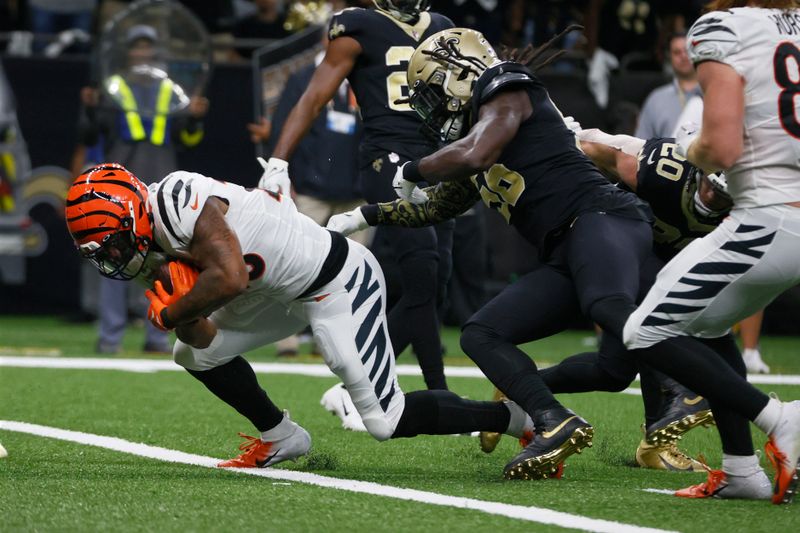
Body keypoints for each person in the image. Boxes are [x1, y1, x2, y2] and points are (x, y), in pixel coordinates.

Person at [327, 26, 800, 500]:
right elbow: (435, 205)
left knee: (617, 314)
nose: (431, 108)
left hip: (600, 221)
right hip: (569, 250)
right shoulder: (481, 131)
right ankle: (550, 417)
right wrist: (364, 215)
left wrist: (413, 168)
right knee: (489, 334)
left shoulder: (507, 86)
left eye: (432, 92)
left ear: (459, 73)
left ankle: (772, 417)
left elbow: (475, 153)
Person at [64, 163, 535, 472]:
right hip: (272, 292)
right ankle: (281, 436)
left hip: (336, 280)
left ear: (132, 215)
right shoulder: (152, 244)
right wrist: (180, 312)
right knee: (192, 352)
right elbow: (200, 328)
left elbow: (227, 279)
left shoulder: (176, 200)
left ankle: (517, 418)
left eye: (115, 243)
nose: (116, 256)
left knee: (383, 420)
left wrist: (170, 311)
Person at [622, 0, 800, 504]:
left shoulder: (723, 27)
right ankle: (742, 472)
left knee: (643, 331)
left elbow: (720, 149)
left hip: (767, 216)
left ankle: (779, 418)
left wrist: (685, 152)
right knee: (708, 325)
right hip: (790, 211)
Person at [261, 0, 456, 391]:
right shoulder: (356, 26)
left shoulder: (442, 25)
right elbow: (314, 97)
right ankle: (438, 392)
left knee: (434, 283)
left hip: (437, 158)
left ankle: (360, 383)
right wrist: (279, 161)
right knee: (422, 272)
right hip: (389, 160)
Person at [76, 24, 209, 354]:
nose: (143, 53)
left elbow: (189, 141)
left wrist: (193, 119)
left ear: (156, 53)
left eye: (148, 47)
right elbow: (90, 137)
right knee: (112, 256)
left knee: (163, 261)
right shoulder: (110, 88)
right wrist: (90, 108)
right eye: (137, 47)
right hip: (118, 190)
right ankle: (110, 338)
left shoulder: (172, 91)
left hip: (160, 189)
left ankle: (158, 336)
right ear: (127, 53)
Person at [635, 32, 702, 139]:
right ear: (669, 57)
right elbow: (641, 143)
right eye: (677, 52)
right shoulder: (656, 99)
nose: (683, 56)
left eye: (688, 51)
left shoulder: (715, 94)